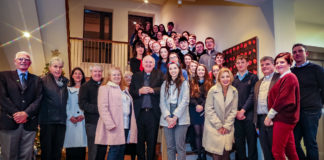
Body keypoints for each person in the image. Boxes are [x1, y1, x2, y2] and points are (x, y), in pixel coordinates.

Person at [0, 51, 42, 160]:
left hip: (29, 125)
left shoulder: (37, 80)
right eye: (20, 59)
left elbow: (39, 99)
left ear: (30, 63)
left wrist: (26, 113)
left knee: (26, 156)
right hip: (9, 123)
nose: (23, 61)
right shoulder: (4, 76)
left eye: (26, 59)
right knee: (9, 156)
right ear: (15, 61)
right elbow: (2, 98)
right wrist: (16, 113)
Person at [95, 66, 137, 160]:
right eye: (114, 75)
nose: (117, 76)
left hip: (125, 124)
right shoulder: (104, 88)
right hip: (114, 124)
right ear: (109, 76)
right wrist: (110, 124)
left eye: (118, 75)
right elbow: (102, 108)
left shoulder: (124, 90)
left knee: (122, 150)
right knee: (115, 149)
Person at [264, 52, 300, 160]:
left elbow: (282, 100)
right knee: (291, 151)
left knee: (277, 152)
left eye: (282, 62)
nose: (278, 65)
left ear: (289, 64)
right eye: (277, 63)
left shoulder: (289, 77)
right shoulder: (283, 78)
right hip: (284, 119)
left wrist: (269, 116)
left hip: (284, 119)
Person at [291, 43, 324, 160]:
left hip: (311, 111)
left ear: (307, 53)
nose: (297, 54)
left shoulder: (317, 69)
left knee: (310, 143)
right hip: (295, 112)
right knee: (293, 143)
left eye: (300, 51)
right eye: (294, 52)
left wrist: (318, 104)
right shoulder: (291, 72)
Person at [129, 55, 164, 160]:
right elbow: (131, 91)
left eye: (151, 62)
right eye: (146, 62)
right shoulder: (136, 76)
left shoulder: (159, 74)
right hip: (139, 113)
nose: (148, 64)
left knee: (152, 140)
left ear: (154, 64)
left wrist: (153, 90)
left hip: (153, 113)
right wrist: (139, 91)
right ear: (142, 64)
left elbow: (164, 88)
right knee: (139, 140)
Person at [203, 67, 238, 160]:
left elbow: (234, 110)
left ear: (230, 78)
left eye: (227, 76)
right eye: (222, 77)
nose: (225, 79)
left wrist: (226, 126)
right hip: (214, 126)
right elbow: (209, 109)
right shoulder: (212, 90)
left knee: (226, 154)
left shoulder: (234, 91)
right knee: (217, 154)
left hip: (227, 127)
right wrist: (219, 126)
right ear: (219, 78)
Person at [39, 56, 69, 160]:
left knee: (57, 151)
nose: (58, 69)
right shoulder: (42, 81)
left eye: (60, 67)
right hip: (48, 121)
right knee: (47, 151)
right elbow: (37, 100)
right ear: (50, 68)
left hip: (61, 122)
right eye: (55, 66)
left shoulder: (66, 82)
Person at [159, 62, 190, 160]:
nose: (173, 70)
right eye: (170, 69)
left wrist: (175, 116)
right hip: (167, 116)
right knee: (170, 147)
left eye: (175, 68)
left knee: (180, 147)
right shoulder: (165, 84)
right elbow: (162, 102)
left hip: (181, 116)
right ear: (168, 71)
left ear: (179, 69)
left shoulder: (185, 83)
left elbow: (185, 101)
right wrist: (168, 117)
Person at [253, 56, 280, 160]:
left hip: (274, 120)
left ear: (274, 65)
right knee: (266, 150)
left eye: (267, 64)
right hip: (260, 120)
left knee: (276, 151)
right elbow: (255, 103)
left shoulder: (279, 78)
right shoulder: (258, 83)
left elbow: (281, 101)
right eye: (262, 65)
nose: (264, 67)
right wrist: (256, 123)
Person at [232, 55, 258, 160]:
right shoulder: (233, 79)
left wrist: (243, 110)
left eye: (242, 62)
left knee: (252, 141)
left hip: (249, 114)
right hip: (236, 114)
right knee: (239, 142)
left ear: (248, 63)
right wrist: (236, 112)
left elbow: (253, 95)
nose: (240, 65)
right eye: (238, 63)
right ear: (235, 65)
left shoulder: (253, 77)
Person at [79, 64, 107, 160]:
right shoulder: (85, 86)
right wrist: (99, 109)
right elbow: (82, 104)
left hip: (105, 122)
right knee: (93, 149)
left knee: (103, 149)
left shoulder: (105, 85)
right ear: (91, 73)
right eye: (95, 71)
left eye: (99, 71)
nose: (97, 73)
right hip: (92, 123)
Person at [189, 64, 213, 160]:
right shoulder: (192, 82)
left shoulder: (210, 82)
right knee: (197, 133)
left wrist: (202, 106)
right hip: (194, 110)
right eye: (199, 70)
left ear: (205, 71)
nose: (200, 72)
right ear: (196, 71)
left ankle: (204, 154)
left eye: (202, 70)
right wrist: (197, 105)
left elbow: (209, 96)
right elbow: (190, 97)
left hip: (205, 110)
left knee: (204, 133)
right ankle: (199, 155)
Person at [63, 67, 87, 160]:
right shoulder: (67, 89)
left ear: (83, 76)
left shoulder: (86, 89)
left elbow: (88, 104)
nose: (78, 75)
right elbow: (65, 104)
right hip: (70, 121)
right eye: (75, 73)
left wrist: (84, 115)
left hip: (82, 121)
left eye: (80, 73)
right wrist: (70, 116)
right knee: (71, 147)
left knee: (81, 148)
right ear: (72, 76)